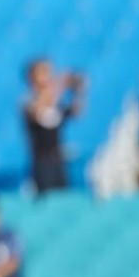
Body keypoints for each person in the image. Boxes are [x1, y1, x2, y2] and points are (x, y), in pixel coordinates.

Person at [22, 59, 84, 194]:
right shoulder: (27, 102)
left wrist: (78, 91)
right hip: (42, 164)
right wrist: (60, 84)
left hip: (58, 162)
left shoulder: (56, 105)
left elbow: (76, 112)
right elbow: (38, 111)